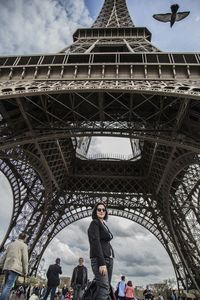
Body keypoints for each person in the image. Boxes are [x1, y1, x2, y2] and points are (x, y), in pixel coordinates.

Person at [88, 202, 114, 300]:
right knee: (104, 288)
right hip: (101, 260)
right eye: (99, 209)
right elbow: (95, 242)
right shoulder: (94, 223)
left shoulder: (104, 224)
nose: (102, 211)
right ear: (95, 211)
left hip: (108, 259)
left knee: (105, 289)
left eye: (104, 209)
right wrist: (101, 263)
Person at [0, 232, 29, 300]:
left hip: (7, 267)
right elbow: (25, 259)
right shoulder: (24, 245)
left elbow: (4, 255)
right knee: (8, 287)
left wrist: (1, 264)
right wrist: (25, 271)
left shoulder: (11, 244)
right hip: (15, 268)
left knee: (6, 286)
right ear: (24, 238)